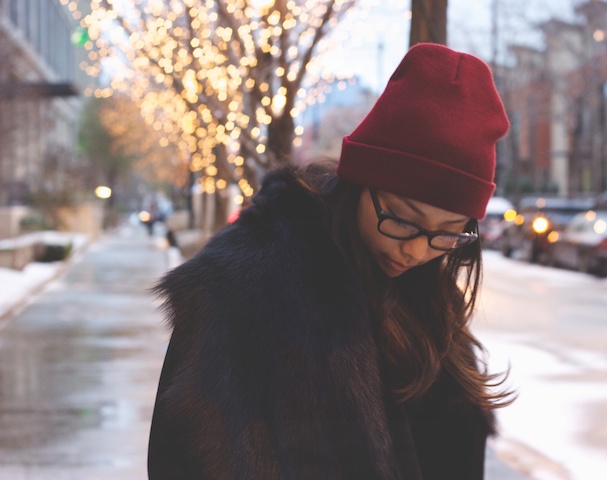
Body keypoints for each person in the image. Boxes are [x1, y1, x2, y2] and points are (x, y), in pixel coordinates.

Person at [148, 42, 513, 479]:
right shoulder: (246, 286)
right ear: (361, 181)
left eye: (447, 232)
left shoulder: (431, 299)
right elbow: (178, 458)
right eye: (401, 218)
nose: (416, 250)